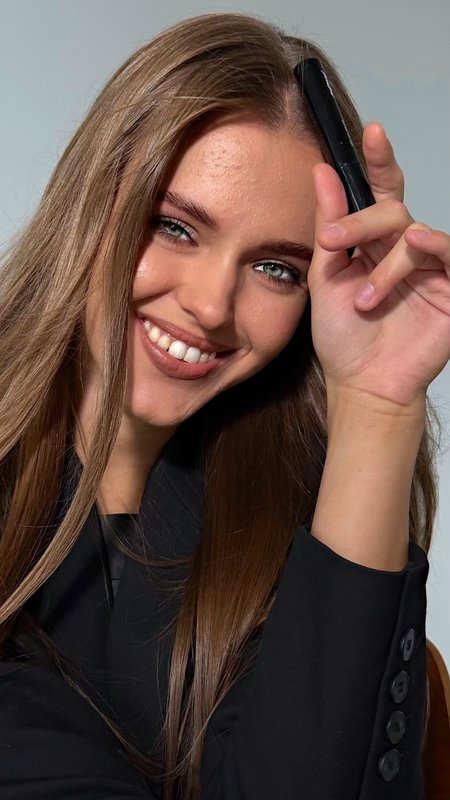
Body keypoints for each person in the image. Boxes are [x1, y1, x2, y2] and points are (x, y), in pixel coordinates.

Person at [0, 12, 449, 800]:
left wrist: (378, 406)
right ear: (92, 203)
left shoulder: (306, 516)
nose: (211, 306)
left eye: (277, 268)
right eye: (174, 227)